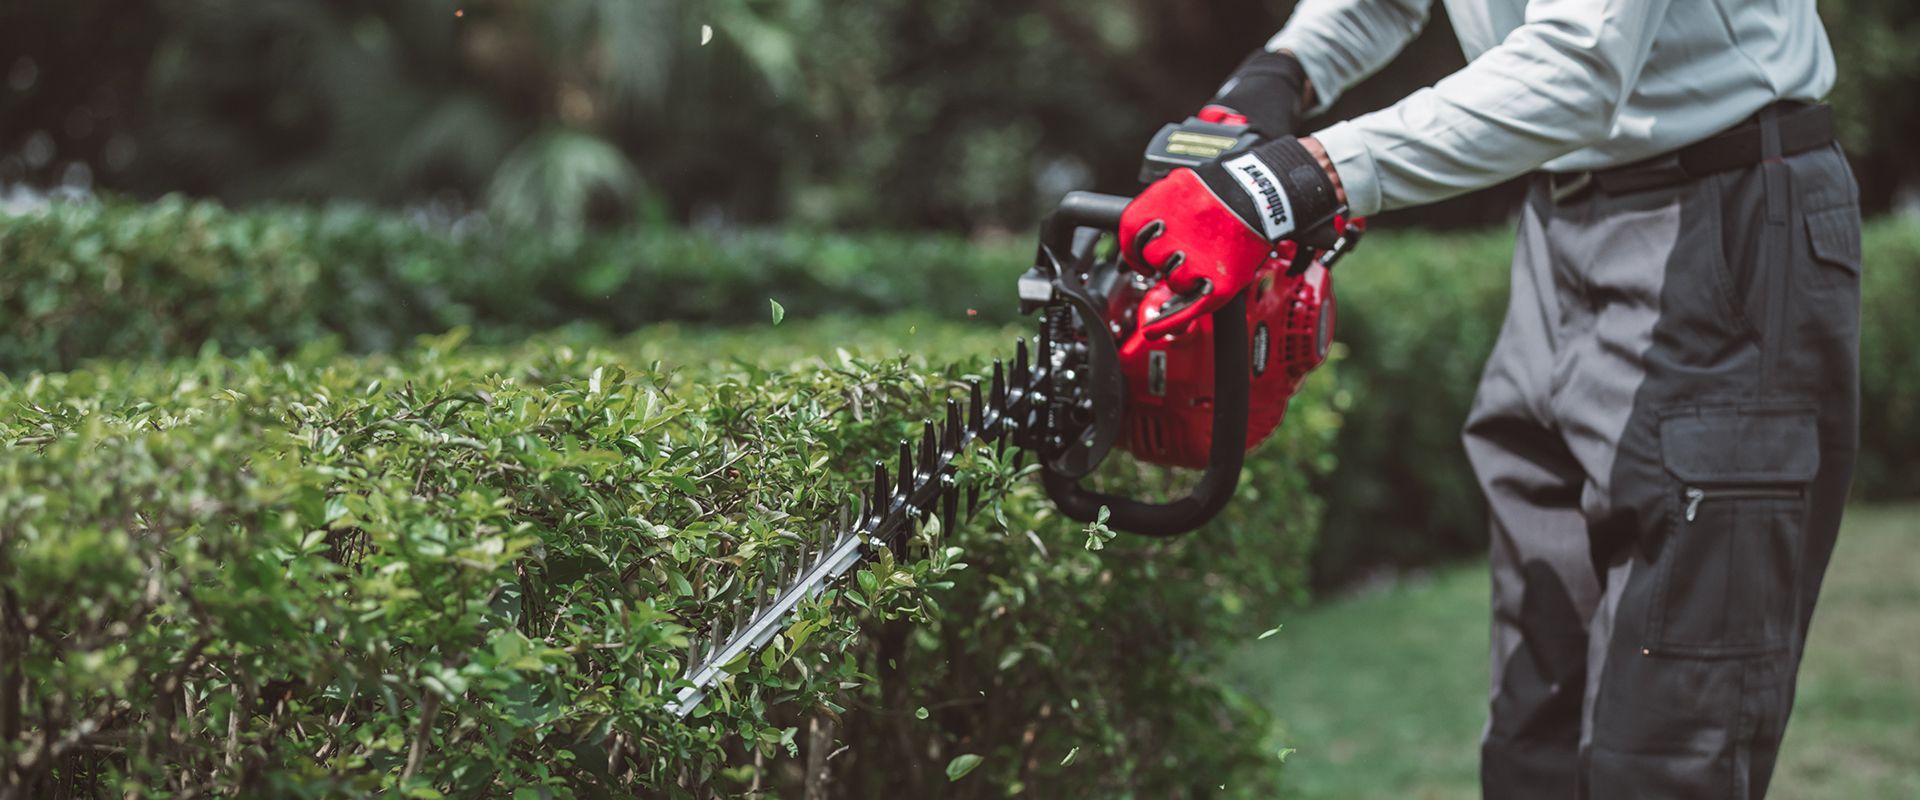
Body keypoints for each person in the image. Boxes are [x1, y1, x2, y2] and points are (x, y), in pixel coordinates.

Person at [1117, 0, 1861, 796]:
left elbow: (1578, 66)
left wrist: (1299, 178)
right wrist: (1281, 72)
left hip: (1723, 210)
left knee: (1669, 743)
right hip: (1562, 215)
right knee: (1528, 733)